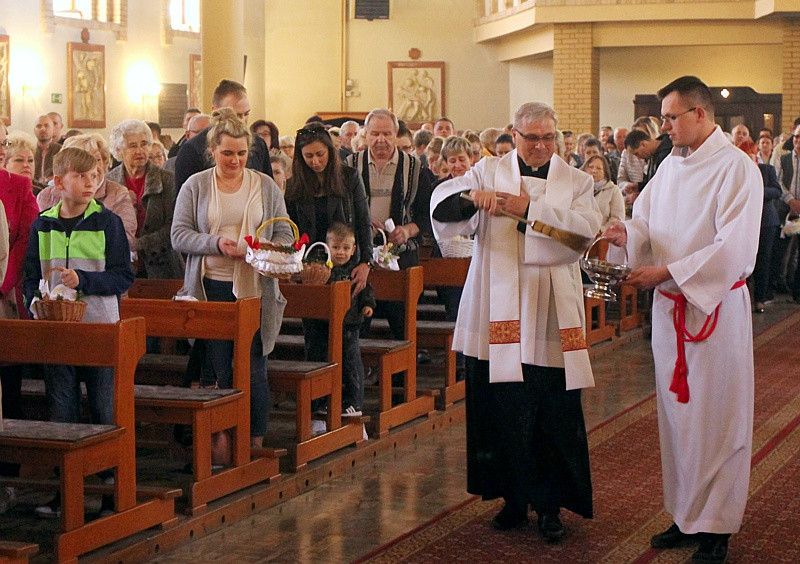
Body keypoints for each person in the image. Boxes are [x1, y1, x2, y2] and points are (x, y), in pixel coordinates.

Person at [603, 76, 762, 564]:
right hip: (670, 308)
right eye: (663, 118)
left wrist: (667, 273)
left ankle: (717, 527)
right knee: (678, 419)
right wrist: (625, 232)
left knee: (719, 417)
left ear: (699, 114)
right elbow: (648, 225)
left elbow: (734, 248)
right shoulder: (671, 165)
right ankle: (686, 514)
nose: (664, 127)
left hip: (713, 309)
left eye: (671, 118)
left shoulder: (737, 169)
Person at [430, 102, 600, 541]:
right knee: (502, 406)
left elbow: (583, 234)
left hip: (550, 311)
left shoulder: (577, 181)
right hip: (497, 304)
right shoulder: (487, 171)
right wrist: (470, 198)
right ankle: (512, 498)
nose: (540, 146)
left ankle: (550, 505)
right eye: (531, 138)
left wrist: (528, 209)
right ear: (515, 135)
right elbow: (441, 207)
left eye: (547, 137)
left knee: (552, 412)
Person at [172, 108, 290, 462]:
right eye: (227, 153)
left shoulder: (264, 185)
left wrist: (260, 248)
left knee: (254, 367)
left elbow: (285, 233)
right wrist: (216, 244)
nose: (235, 160)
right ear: (213, 150)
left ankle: (253, 443)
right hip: (211, 286)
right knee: (219, 369)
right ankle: (223, 444)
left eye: (241, 153)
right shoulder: (196, 185)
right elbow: (179, 235)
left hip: (255, 289)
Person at [22, 147, 134, 518]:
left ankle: (110, 494)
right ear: (58, 181)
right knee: (61, 408)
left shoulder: (107, 222)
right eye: (80, 176)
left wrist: (83, 279)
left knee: (103, 407)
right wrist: (35, 301)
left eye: (94, 176)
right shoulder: (43, 224)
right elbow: (31, 275)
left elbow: (123, 276)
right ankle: (65, 494)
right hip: (58, 330)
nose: (90, 182)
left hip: (99, 329)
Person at [284, 124, 373, 413]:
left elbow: (363, 222)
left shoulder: (348, 177)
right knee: (315, 340)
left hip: (346, 266)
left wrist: (366, 262)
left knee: (348, 341)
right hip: (312, 271)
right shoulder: (295, 185)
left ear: (330, 152)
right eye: (308, 156)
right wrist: (295, 265)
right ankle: (319, 404)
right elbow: (291, 231)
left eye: (320, 154)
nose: (315, 161)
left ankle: (351, 404)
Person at [107, 119, 183, 279]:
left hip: (163, 268)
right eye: (132, 146)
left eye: (144, 144)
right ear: (118, 150)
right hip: (120, 266)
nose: (140, 151)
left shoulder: (167, 180)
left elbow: (175, 226)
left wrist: (140, 244)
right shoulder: (109, 182)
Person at [38, 133, 137, 249]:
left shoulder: (118, 194)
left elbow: (124, 240)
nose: (91, 167)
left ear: (105, 162)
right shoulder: (46, 196)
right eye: (82, 161)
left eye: (97, 159)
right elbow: (40, 240)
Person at [174, 79, 273, 193]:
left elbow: (268, 192)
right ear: (215, 111)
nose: (242, 120)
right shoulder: (191, 149)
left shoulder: (258, 145)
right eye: (236, 114)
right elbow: (185, 198)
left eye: (246, 114)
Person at [323, 222, 376, 417]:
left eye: (346, 248)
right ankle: (326, 401)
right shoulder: (323, 270)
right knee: (328, 362)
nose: (341, 252)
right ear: (327, 247)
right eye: (336, 247)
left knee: (351, 363)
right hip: (327, 325)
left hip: (350, 325)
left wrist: (367, 305)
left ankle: (354, 403)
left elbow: (366, 290)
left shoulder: (355, 272)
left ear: (353, 250)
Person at [736, 140, 781, 313]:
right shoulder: (737, 172)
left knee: (763, 259)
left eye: (751, 155)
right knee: (744, 259)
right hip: (744, 222)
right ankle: (744, 298)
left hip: (766, 221)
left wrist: (758, 189)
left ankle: (760, 298)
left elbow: (777, 191)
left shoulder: (767, 170)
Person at [581, 155, 624, 231]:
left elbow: (617, 217)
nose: (594, 171)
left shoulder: (614, 190)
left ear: (605, 172)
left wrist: (601, 230)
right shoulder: (579, 188)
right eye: (591, 167)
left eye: (599, 168)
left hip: (602, 234)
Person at [33, 114, 62, 185]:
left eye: (46, 126)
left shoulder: (61, 151)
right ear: (34, 130)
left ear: (53, 129)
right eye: (39, 126)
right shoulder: (30, 151)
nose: (43, 129)